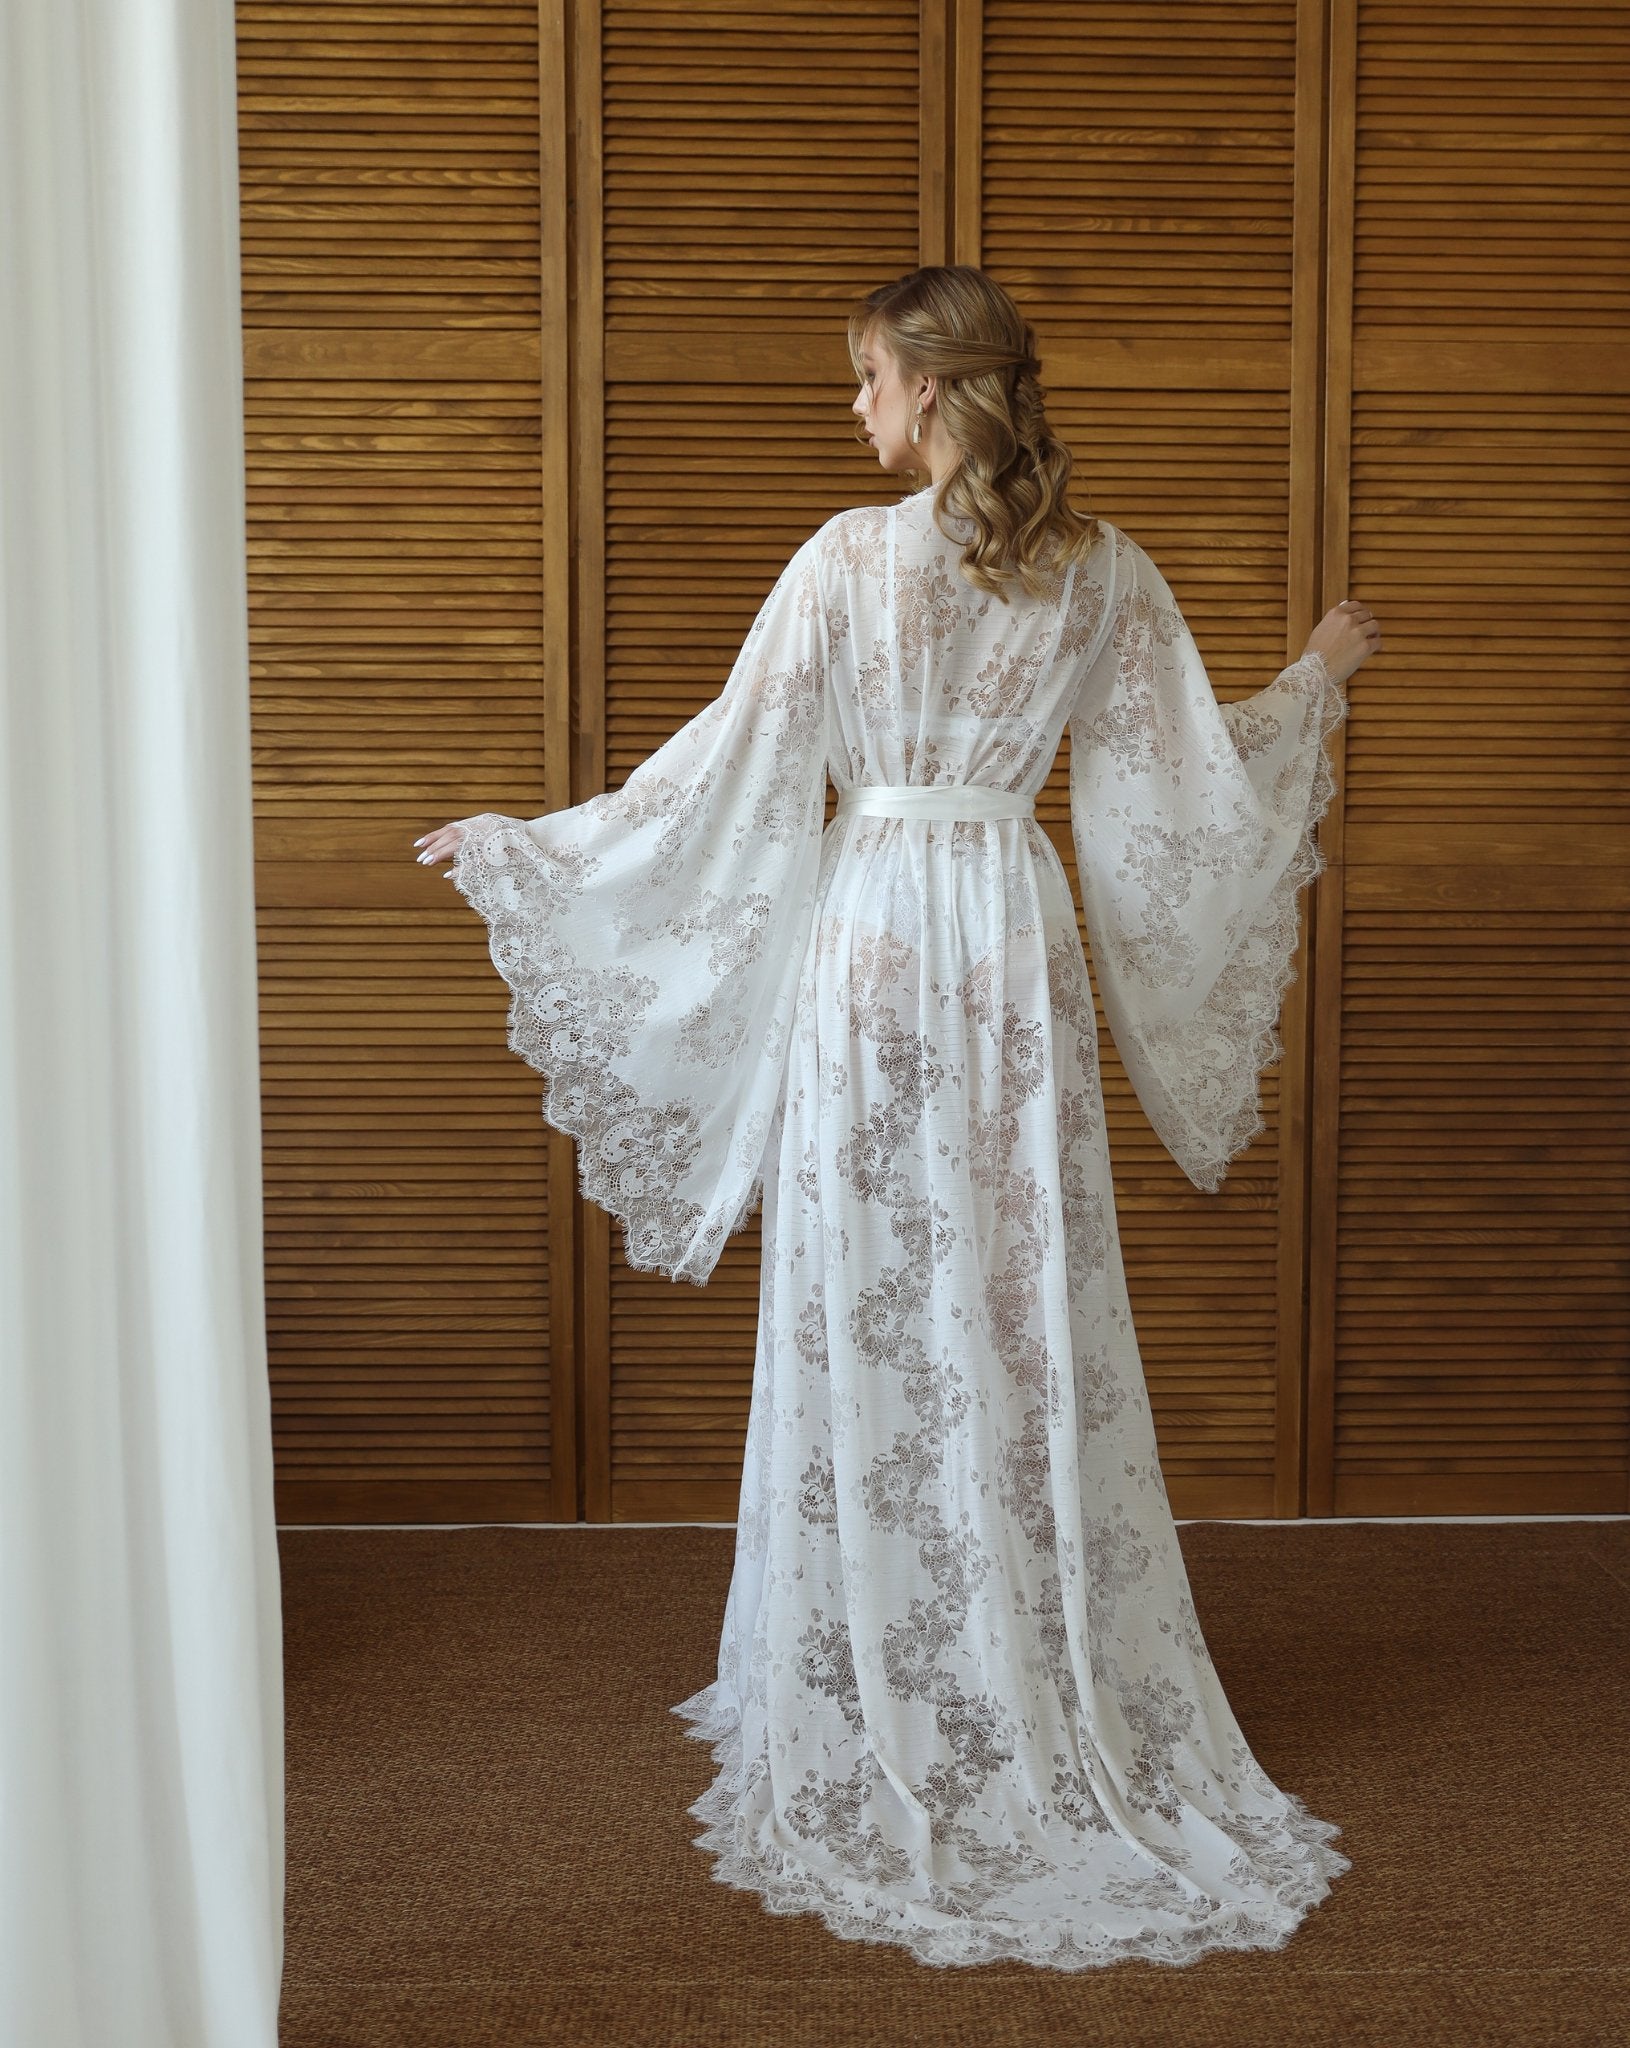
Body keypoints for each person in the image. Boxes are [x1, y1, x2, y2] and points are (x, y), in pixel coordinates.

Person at [414, 265, 1380, 1970]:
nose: (853, 407)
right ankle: (1013, 1655)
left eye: (865, 377)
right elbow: (1176, 798)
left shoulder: (844, 562)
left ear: (931, 388)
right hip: (1007, 929)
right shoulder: (1102, 569)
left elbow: (723, 777)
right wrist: (1305, 686)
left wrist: (541, 850)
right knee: (1007, 1294)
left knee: (875, 1283)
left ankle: (893, 1659)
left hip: (872, 933)